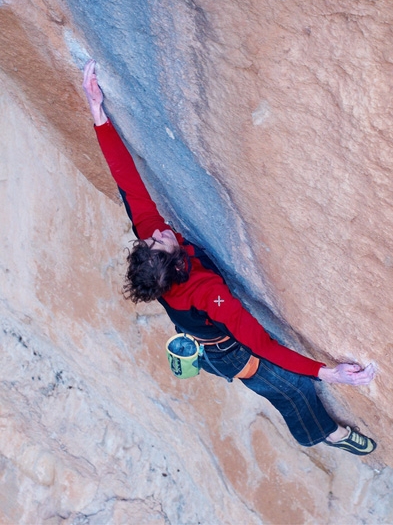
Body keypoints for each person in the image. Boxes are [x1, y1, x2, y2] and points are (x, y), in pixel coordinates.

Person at [83, 59, 377, 455]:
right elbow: (262, 345)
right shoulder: (206, 293)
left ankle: (200, 360)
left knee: (272, 371)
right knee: (293, 388)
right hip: (232, 351)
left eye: (149, 239)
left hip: (203, 335)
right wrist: (333, 374)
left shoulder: (156, 251)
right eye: (159, 242)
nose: (156, 232)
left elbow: (128, 184)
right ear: (176, 265)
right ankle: (326, 435)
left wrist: (98, 114)